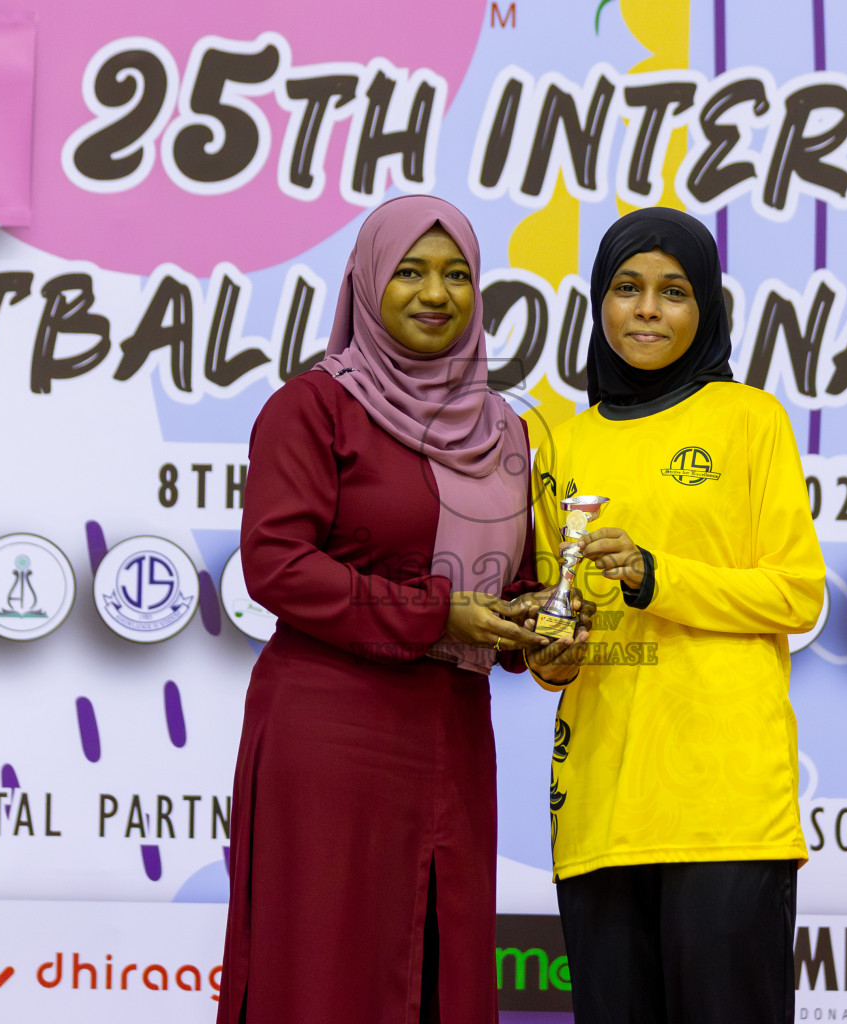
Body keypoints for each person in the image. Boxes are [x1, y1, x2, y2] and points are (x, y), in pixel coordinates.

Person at [218, 195, 562, 1024]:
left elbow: (503, 582)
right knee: (327, 970)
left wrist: (538, 623)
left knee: (441, 968)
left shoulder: (505, 431)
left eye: (456, 275)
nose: (434, 293)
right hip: (332, 730)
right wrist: (439, 615)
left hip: (450, 733)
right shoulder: (315, 408)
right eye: (410, 271)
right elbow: (277, 565)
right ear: (368, 283)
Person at [528, 207, 826, 1023]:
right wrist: (549, 649)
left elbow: (797, 594)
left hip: (723, 806)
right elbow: (555, 627)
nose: (648, 310)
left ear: (708, 312)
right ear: (599, 304)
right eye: (627, 289)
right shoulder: (555, 440)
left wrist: (658, 576)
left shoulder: (748, 419)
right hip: (599, 806)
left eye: (674, 291)